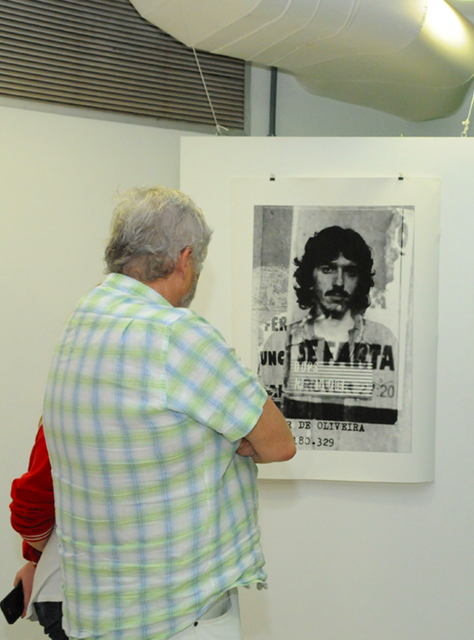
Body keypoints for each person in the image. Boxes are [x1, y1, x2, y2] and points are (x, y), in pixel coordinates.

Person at [41, 186, 295, 640]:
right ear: (184, 259)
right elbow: (278, 444)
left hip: (96, 615)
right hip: (178, 616)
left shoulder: (81, 320)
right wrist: (230, 438)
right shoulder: (176, 333)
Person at [260, 225, 400, 429]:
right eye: (328, 269)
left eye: (350, 272)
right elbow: (269, 426)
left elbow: (389, 424)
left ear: (360, 279)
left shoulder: (383, 340)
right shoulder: (279, 342)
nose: (339, 282)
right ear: (311, 275)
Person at [10, 419, 65, 640]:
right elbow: (32, 505)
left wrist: (39, 557)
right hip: (72, 593)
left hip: (65, 587)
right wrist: (38, 558)